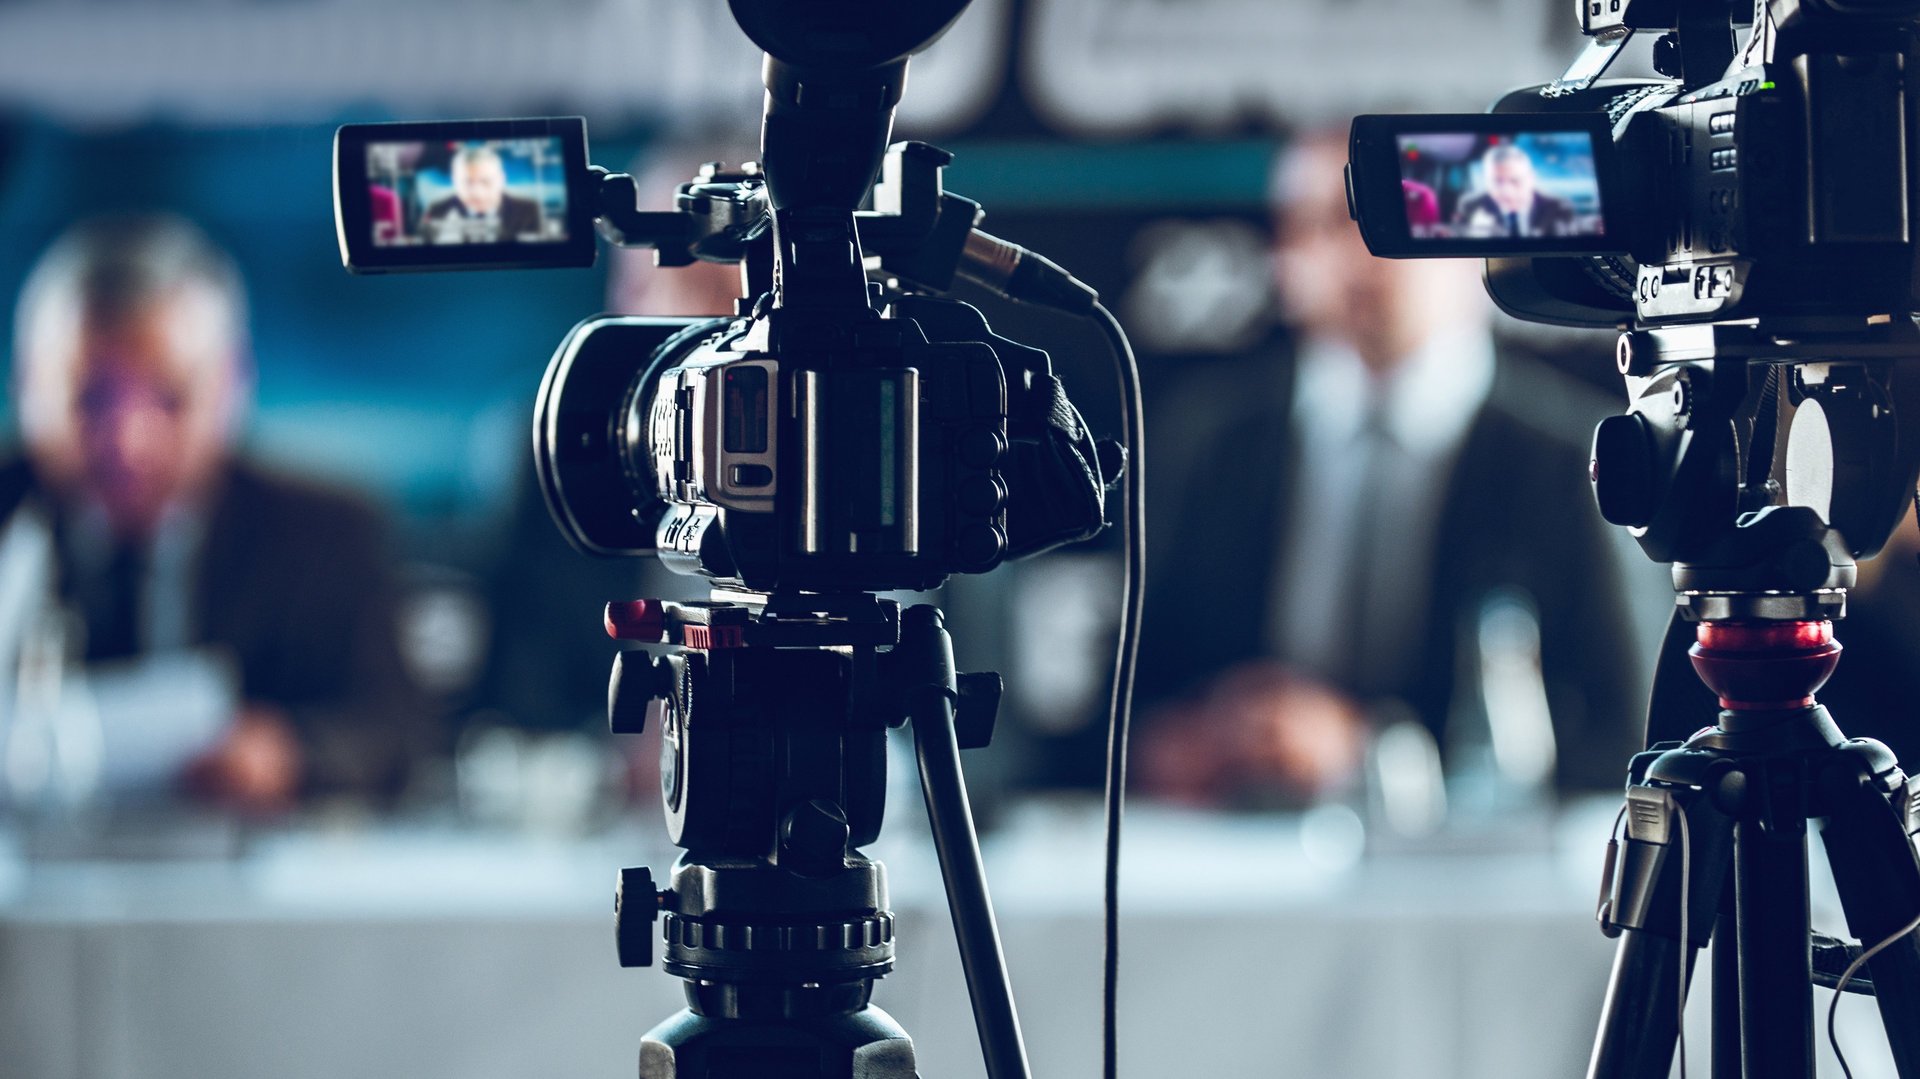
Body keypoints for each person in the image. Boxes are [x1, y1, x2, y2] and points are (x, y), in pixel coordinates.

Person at [1135, 130, 1651, 806]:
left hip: (1481, 877)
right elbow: (1134, 704)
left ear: (1479, 246)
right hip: (1243, 861)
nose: (1364, 254)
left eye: (1401, 219)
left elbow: (1627, 734)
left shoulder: (1576, 455)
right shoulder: (1210, 442)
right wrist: (1192, 738)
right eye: (1325, 223)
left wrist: (1372, 753)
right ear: (1282, 257)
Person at [1, 214, 428, 813]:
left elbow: (402, 735)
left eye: (169, 398)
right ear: (27, 386)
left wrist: (294, 754)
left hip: (247, 888)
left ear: (232, 385)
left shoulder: (323, 533)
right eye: (90, 398)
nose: (129, 442)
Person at [422, 144, 544, 244]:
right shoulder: (437, 211)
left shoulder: (528, 211)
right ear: (455, 181)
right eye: (467, 182)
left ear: (501, 180)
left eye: (486, 182)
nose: (477, 193)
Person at [1452, 143, 1577, 239]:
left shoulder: (1558, 207)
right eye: (1497, 181)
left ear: (1531, 178)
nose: (1506, 191)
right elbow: (1458, 242)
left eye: (1515, 181)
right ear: (1487, 180)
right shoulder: (1470, 205)